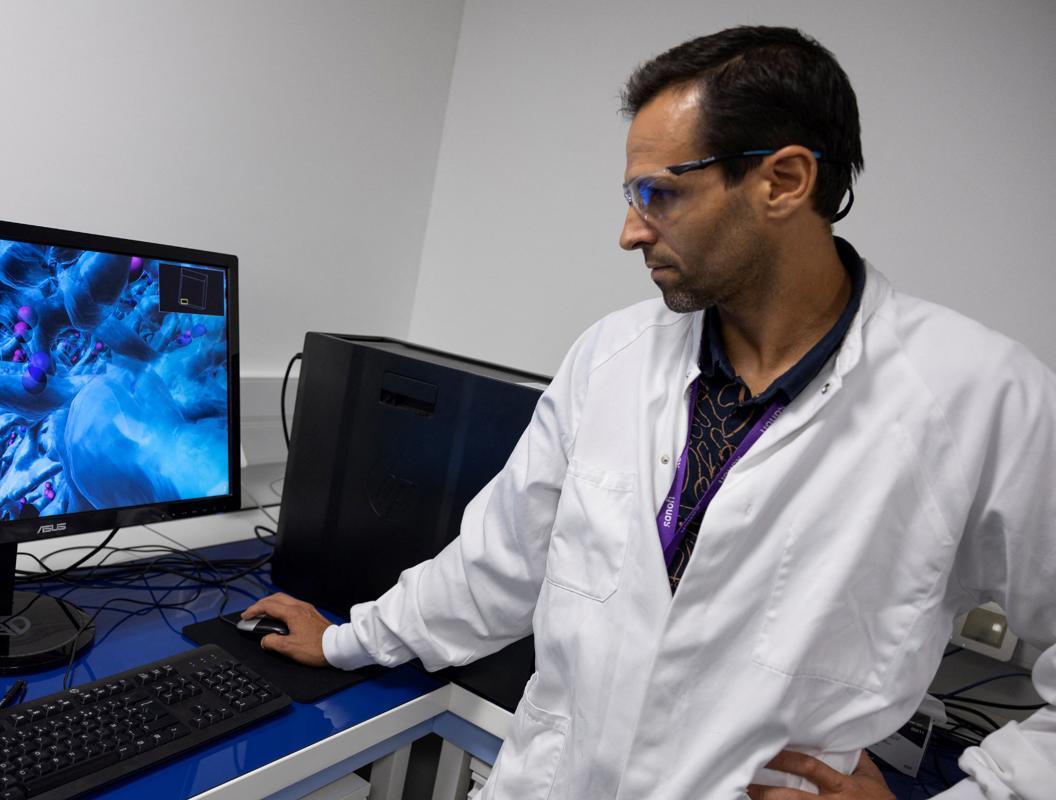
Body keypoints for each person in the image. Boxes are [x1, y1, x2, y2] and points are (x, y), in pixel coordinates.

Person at [245, 26, 1056, 799]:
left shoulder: (980, 399)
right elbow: (496, 564)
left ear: (783, 181)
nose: (631, 231)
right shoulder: (613, 356)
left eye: (658, 194)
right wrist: (347, 640)